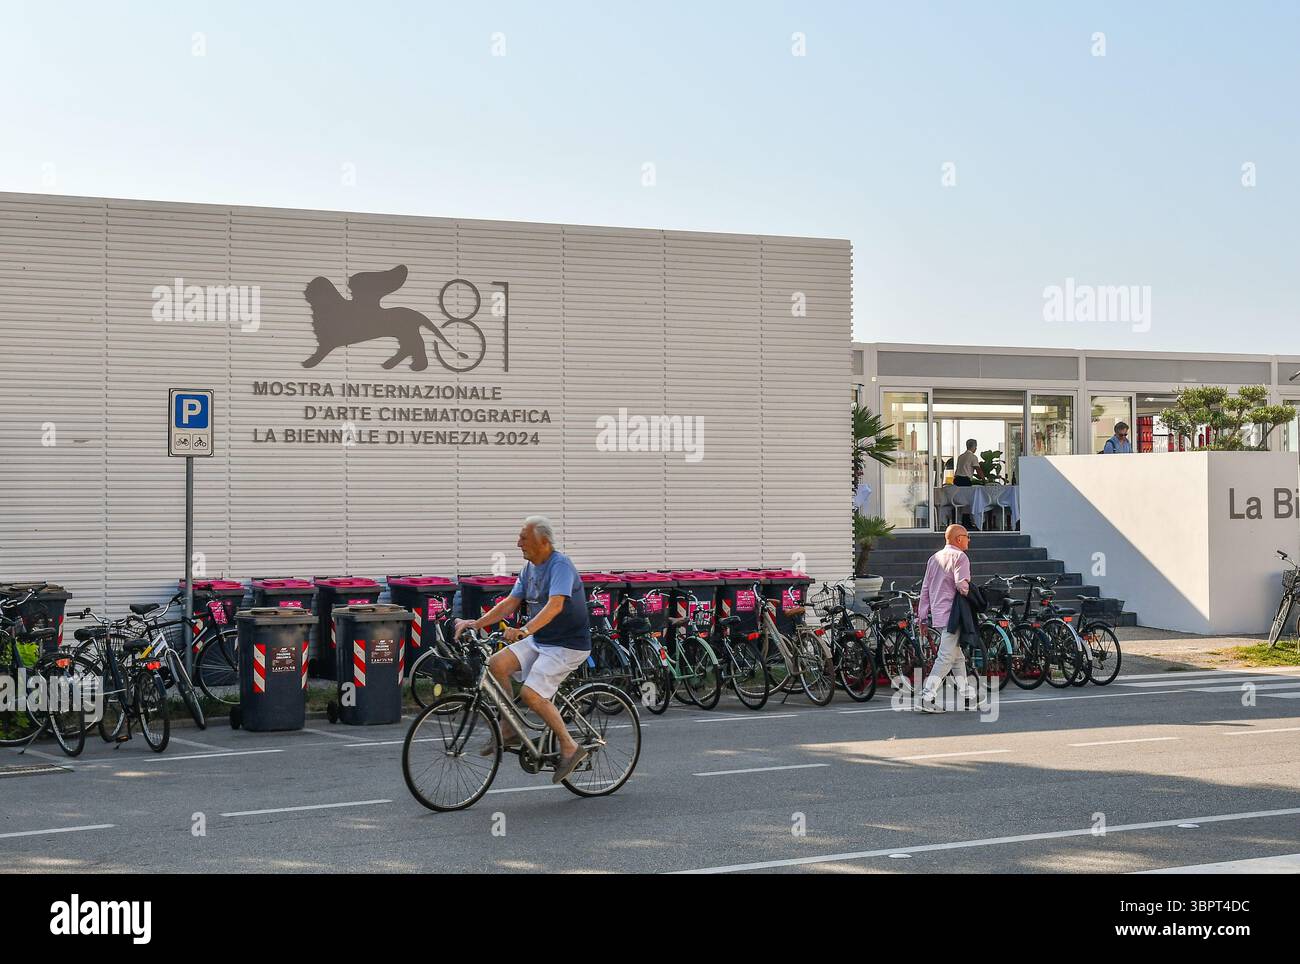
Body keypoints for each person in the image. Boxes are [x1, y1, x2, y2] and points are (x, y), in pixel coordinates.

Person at [454, 515, 592, 783]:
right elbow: (510, 602)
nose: (518, 543)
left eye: (523, 538)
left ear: (543, 541)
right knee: (496, 665)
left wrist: (526, 630)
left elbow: (555, 605)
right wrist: (477, 623)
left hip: (567, 644)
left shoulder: (560, 566)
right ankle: (510, 728)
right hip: (542, 639)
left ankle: (569, 746)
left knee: (531, 695)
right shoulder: (530, 568)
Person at [914, 524, 974, 713]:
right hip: (954, 614)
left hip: (939, 613)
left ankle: (968, 697)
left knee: (957, 657)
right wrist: (973, 593)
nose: (969, 540)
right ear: (958, 539)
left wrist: (922, 617)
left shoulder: (934, 558)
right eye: (967, 536)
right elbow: (961, 585)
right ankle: (926, 696)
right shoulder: (960, 557)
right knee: (947, 656)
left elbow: (925, 589)